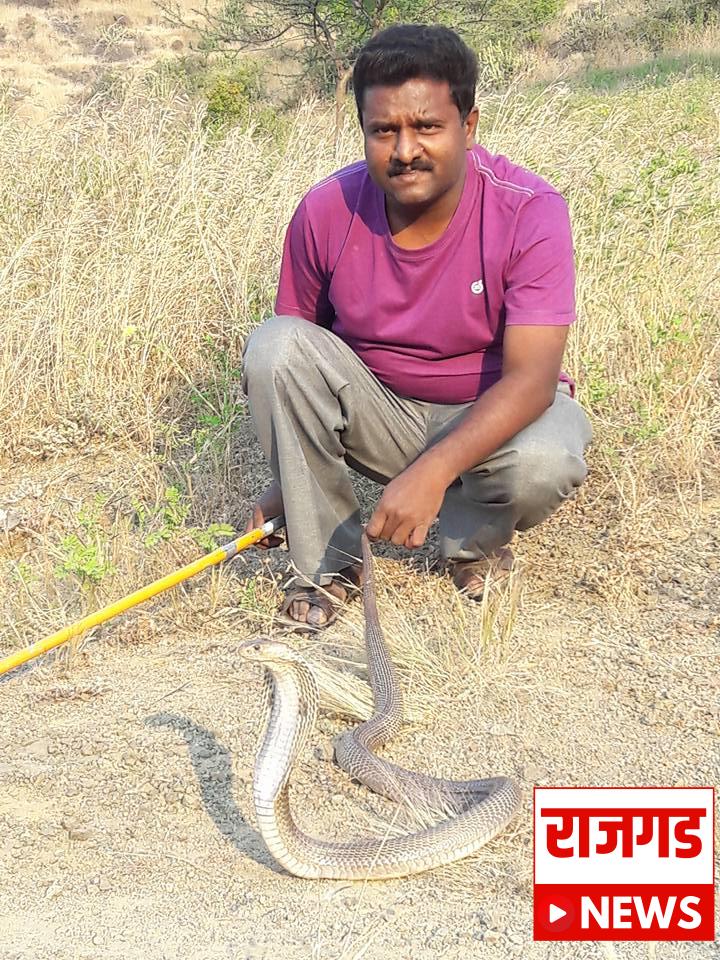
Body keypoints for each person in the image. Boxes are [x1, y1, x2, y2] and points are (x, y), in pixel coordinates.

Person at [242, 23, 592, 629]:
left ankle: (474, 547)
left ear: (469, 126)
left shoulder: (530, 210)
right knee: (272, 346)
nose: (405, 150)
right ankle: (330, 563)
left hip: (492, 412)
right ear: (363, 131)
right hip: (381, 412)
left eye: (427, 126)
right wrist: (291, 487)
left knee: (546, 459)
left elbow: (533, 381)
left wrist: (433, 471)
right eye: (384, 130)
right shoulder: (325, 210)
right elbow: (292, 362)